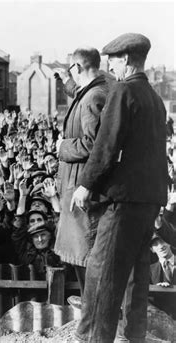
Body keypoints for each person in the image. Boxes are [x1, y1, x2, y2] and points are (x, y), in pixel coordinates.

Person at [70, 33, 168, 342]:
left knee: (103, 276)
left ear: (125, 60)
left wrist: (86, 184)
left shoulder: (123, 91)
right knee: (136, 280)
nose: (109, 66)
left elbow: (106, 145)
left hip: (123, 202)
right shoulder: (154, 98)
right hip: (149, 199)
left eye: (112, 60)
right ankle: (132, 337)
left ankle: (91, 338)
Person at [53, 47, 110, 297]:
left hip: (82, 191)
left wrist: (62, 146)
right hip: (78, 188)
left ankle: (94, 317)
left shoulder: (93, 97)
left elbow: (94, 144)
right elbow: (78, 91)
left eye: (71, 70)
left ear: (77, 68)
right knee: (81, 254)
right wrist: (64, 80)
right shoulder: (98, 88)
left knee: (85, 255)